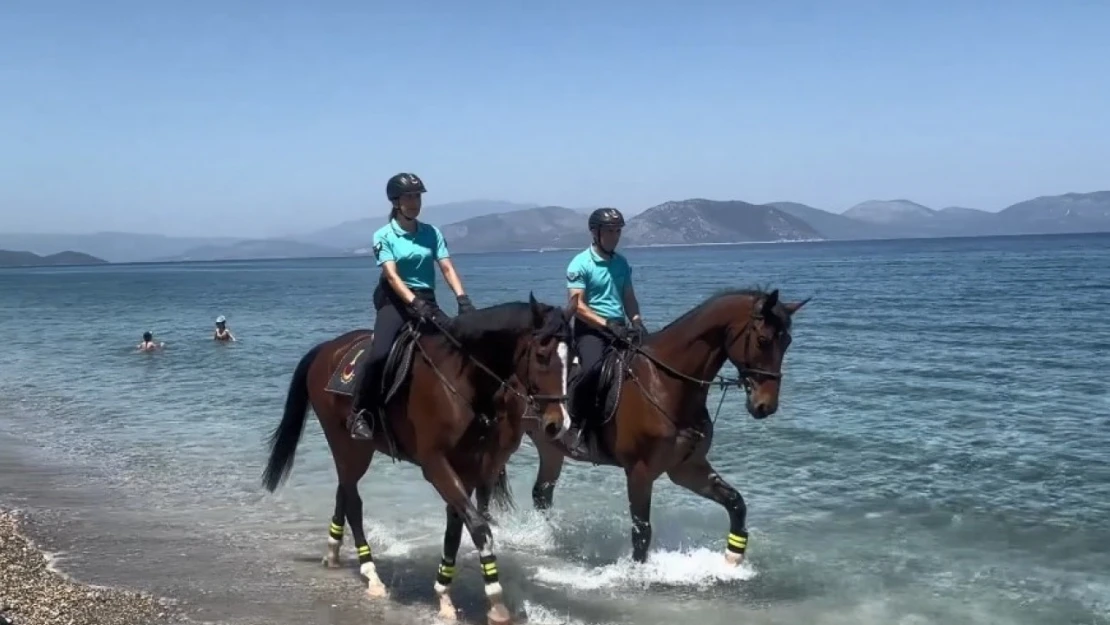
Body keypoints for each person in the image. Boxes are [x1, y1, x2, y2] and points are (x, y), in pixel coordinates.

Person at [348, 172, 477, 440]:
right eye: (409, 197)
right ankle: (361, 412)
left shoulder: (431, 233)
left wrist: (463, 300)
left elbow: (446, 267)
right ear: (396, 202)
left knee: (460, 345)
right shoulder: (384, 235)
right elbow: (392, 276)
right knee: (380, 353)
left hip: (426, 299)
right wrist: (413, 302)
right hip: (394, 301)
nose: (415, 202)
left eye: (417, 196)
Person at [565, 208, 646, 416]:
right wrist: (607, 325)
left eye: (618, 231)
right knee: (592, 369)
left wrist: (636, 321)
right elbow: (578, 306)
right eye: (610, 231)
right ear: (595, 232)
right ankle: (576, 420)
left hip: (620, 327)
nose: (615, 236)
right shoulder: (580, 264)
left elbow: (629, 298)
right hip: (591, 330)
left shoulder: (621, 263)